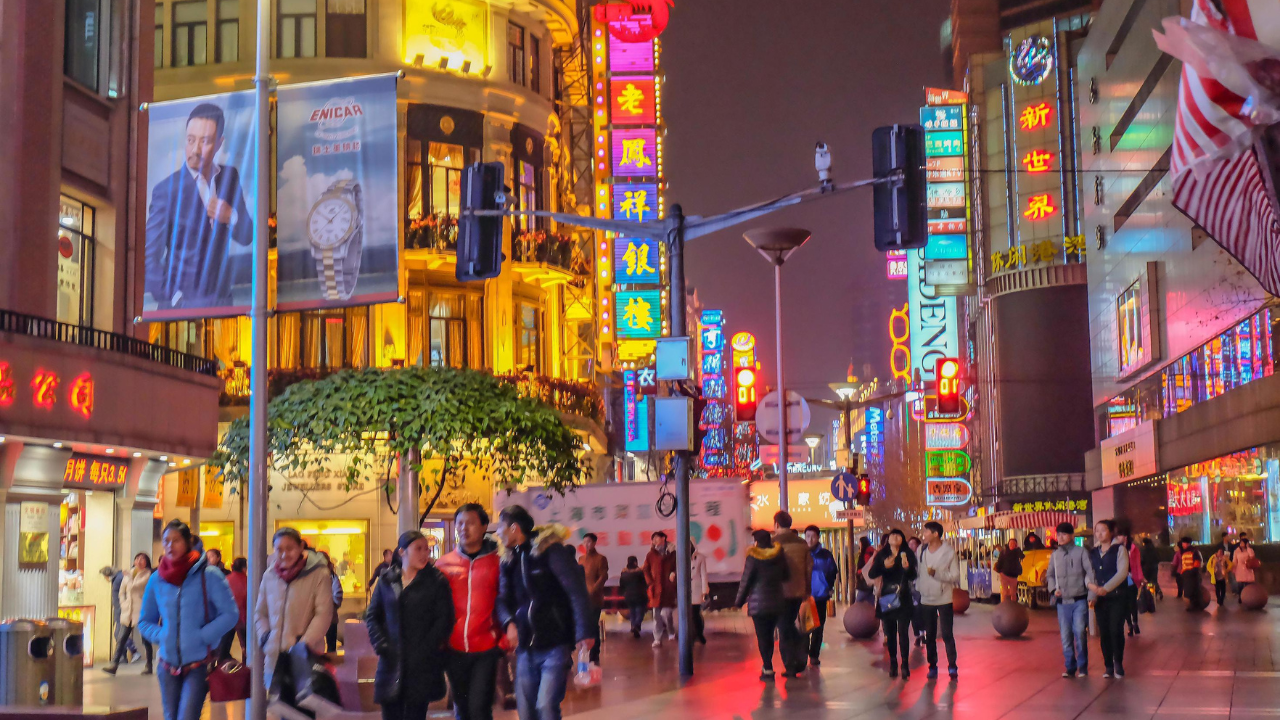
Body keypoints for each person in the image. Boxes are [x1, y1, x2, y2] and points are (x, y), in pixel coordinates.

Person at [144, 102, 253, 311]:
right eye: (190, 140)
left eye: (205, 142)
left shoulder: (229, 178)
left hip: (222, 300)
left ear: (219, 143)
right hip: (180, 305)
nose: (195, 149)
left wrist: (231, 216)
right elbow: (149, 258)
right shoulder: (166, 191)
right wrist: (174, 298)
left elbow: (248, 236)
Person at [495, 505, 592, 720]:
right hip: (525, 648)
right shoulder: (508, 560)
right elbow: (502, 599)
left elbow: (576, 592)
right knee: (527, 710)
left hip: (555, 644)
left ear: (513, 528)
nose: (497, 533)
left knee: (546, 706)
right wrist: (509, 623)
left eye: (500, 527)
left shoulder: (550, 551)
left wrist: (585, 632)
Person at [137, 520, 238, 720]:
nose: (170, 545)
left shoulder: (209, 575)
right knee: (171, 716)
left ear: (187, 543)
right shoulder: (157, 579)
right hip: (167, 665)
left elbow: (230, 614)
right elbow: (144, 621)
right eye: (166, 541)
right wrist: (162, 635)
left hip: (198, 664)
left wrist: (203, 636)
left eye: (176, 540)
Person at [366, 531, 455, 720]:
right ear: (402, 552)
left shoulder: (436, 581)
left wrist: (427, 647)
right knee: (391, 713)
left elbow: (444, 620)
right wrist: (380, 644)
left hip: (420, 663)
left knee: (415, 713)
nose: (425, 554)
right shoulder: (387, 579)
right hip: (391, 659)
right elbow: (373, 616)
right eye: (418, 549)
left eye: (427, 550)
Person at [438, 504, 503, 720]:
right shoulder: (443, 565)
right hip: (453, 648)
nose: (464, 528)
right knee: (462, 708)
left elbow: (508, 601)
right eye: (460, 523)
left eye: (471, 523)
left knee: (479, 708)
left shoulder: (499, 563)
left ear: (484, 526)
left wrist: (502, 639)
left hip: (486, 648)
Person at [255, 527, 334, 691]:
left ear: (300, 547)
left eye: (289, 548)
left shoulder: (319, 574)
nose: (284, 554)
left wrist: (302, 645)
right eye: (279, 550)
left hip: (305, 658)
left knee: (303, 711)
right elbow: (260, 612)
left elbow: (323, 614)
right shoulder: (269, 575)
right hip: (274, 658)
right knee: (281, 711)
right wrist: (265, 636)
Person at [734, 530, 789, 680]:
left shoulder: (753, 557)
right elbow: (786, 575)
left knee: (762, 636)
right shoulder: (779, 554)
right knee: (770, 635)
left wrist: (738, 602)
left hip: (758, 604)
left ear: (757, 542)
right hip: (776, 601)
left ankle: (768, 668)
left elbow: (745, 581)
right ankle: (768, 666)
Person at [1047, 522, 1095, 678]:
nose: (1060, 537)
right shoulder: (1055, 555)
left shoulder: (1081, 552)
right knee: (1065, 635)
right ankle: (1070, 667)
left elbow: (1090, 572)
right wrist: (1053, 589)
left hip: (1079, 599)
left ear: (1072, 536)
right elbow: (1050, 575)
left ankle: (1083, 666)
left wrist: (1091, 595)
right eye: (1058, 534)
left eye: (1064, 534)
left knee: (1080, 632)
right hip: (1062, 602)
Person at [869, 529, 917, 679]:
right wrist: (884, 566)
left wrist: (906, 567)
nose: (895, 537)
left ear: (902, 539)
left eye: (899, 535)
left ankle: (905, 665)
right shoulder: (882, 555)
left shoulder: (907, 554)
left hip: (903, 598)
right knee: (890, 634)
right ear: (887, 539)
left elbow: (913, 575)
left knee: (903, 632)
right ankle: (893, 663)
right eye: (892, 535)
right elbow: (872, 574)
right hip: (888, 598)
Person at [772, 511, 813, 678]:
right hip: (799, 592)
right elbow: (809, 569)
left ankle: (790, 665)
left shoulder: (772, 543)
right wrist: (807, 591)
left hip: (779, 593)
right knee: (794, 625)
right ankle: (800, 656)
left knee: (784, 628)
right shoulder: (802, 543)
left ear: (776, 525)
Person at [916, 521, 959, 680]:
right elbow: (918, 572)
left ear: (935, 534)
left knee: (947, 634)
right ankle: (932, 665)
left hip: (944, 598)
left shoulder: (948, 552)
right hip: (926, 598)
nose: (924, 535)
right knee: (930, 635)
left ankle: (952, 665)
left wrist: (937, 574)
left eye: (926, 532)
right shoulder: (921, 550)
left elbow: (955, 575)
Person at [1088, 519, 1130, 679]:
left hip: (1117, 596)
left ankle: (1118, 663)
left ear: (1111, 532)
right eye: (1097, 530)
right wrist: (1093, 590)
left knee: (1115, 629)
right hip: (1100, 599)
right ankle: (1108, 666)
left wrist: (1105, 588)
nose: (1099, 534)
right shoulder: (1093, 552)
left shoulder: (1119, 550)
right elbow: (1088, 573)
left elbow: (1122, 573)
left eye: (1103, 530)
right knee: (1104, 632)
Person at [104, 552, 154, 675]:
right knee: (121, 638)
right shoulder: (129, 574)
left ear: (146, 562)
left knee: (145, 640)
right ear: (134, 561)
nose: (139, 561)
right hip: (128, 611)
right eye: (137, 558)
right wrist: (123, 603)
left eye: (142, 559)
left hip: (141, 611)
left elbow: (135, 587)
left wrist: (129, 577)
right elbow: (122, 591)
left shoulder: (147, 574)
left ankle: (149, 665)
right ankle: (114, 664)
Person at [805, 525, 837, 666]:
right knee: (805, 627)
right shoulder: (802, 553)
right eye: (807, 536)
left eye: (813, 536)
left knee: (818, 628)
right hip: (805, 597)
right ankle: (803, 654)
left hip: (820, 597)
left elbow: (832, 572)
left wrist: (829, 588)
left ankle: (813, 655)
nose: (810, 540)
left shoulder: (826, 555)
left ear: (818, 537)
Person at [578, 532, 610, 663]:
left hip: (594, 598)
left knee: (592, 625)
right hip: (582, 598)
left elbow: (604, 577)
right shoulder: (581, 559)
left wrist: (592, 590)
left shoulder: (600, 559)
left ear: (595, 543)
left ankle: (595, 652)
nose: (587, 544)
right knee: (585, 625)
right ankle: (587, 650)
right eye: (585, 542)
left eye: (589, 542)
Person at [642, 531, 677, 648]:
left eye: (657, 538)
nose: (655, 541)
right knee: (656, 616)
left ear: (664, 538)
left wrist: (674, 574)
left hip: (667, 588)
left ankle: (671, 631)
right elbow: (645, 569)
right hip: (655, 589)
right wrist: (650, 583)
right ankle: (657, 639)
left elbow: (678, 566)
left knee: (667, 613)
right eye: (653, 539)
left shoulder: (672, 553)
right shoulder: (650, 555)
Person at [220, 557, 249, 660]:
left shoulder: (226, 580)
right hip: (243, 619)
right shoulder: (247, 582)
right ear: (244, 568)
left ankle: (221, 668)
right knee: (246, 648)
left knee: (223, 647)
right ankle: (246, 670)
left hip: (226, 617)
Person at [317, 550, 344, 653]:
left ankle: (330, 668)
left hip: (330, 619)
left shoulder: (332, 577)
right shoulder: (312, 578)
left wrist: (327, 606)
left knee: (331, 648)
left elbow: (338, 595)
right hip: (315, 620)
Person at [618, 557, 648, 639]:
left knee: (632, 612)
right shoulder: (639, 572)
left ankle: (634, 627)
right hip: (640, 595)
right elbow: (645, 583)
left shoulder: (624, 573)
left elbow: (622, 585)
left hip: (628, 596)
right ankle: (636, 625)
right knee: (639, 612)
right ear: (635, 562)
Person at [1121, 532, 1142, 636]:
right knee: (1124, 604)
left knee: (1132, 602)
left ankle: (1135, 623)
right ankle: (1129, 625)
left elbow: (1138, 564)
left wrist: (1140, 578)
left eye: (1121, 535)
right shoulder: (1116, 549)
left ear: (1125, 537)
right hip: (1120, 580)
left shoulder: (1133, 549)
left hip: (1131, 578)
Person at [907, 536, 926, 647]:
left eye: (913, 544)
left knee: (920, 610)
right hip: (910, 587)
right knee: (913, 612)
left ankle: (922, 633)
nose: (911, 546)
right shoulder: (907, 558)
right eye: (910, 544)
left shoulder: (922, 557)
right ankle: (917, 635)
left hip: (920, 586)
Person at [690, 542, 709, 645]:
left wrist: (704, 591)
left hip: (696, 589)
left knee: (695, 613)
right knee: (688, 614)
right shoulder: (679, 556)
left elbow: (703, 575)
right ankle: (693, 635)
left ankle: (699, 634)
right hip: (685, 590)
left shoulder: (700, 557)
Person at [1177, 537, 1204, 609]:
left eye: (1183, 543)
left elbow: (1197, 563)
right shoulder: (1184, 552)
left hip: (1192, 575)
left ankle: (1194, 605)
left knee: (1193, 591)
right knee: (1189, 591)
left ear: (1187, 543)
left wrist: (1191, 571)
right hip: (1187, 574)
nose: (1182, 544)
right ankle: (1192, 605)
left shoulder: (1194, 551)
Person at [1232, 533, 1258, 602]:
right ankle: (1240, 597)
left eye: (1243, 543)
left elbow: (1252, 557)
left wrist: (1248, 548)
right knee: (1240, 584)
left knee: (1248, 584)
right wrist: (1233, 568)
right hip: (1240, 569)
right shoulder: (1237, 551)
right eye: (1241, 543)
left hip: (1248, 568)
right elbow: (1234, 560)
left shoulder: (1250, 550)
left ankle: (1248, 597)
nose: (1241, 544)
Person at [1208, 543, 1232, 608]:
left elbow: (1230, 564)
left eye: (1222, 551)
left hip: (1223, 576)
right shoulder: (1213, 557)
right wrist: (1213, 570)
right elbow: (1208, 566)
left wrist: (1226, 570)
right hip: (1215, 576)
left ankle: (1222, 599)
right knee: (1217, 589)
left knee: (1223, 589)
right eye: (1219, 551)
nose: (1220, 553)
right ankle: (1219, 599)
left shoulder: (1225, 558)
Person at [855, 537, 876, 603]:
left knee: (857, 603)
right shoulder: (872, 552)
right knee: (870, 603)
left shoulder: (866, 553)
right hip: (870, 582)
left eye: (860, 542)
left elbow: (867, 566)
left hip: (864, 582)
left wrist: (859, 571)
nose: (859, 544)